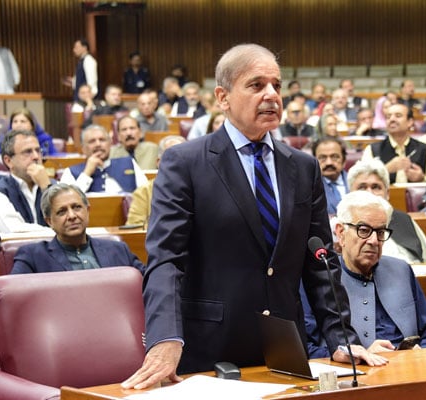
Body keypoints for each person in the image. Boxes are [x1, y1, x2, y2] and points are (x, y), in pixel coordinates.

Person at [121, 43, 386, 390]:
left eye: (276, 84)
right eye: (256, 85)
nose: (272, 95)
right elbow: (166, 260)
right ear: (223, 97)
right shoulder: (185, 163)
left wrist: (340, 337)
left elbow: (319, 260)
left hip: (285, 350)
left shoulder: (304, 167)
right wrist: (165, 337)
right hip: (210, 351)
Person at [303, 190, 426, 356]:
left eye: (380, 232)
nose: (374, 241)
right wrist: (361, 356)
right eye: (364, 230)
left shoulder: (402, 270)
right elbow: (308, 349)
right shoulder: (321, 278)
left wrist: (420, 352)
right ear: (341, 233)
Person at [11, 183, 145, 274]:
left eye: (76, 207)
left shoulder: (118, 250)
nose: (72, 216)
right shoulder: (33, 257)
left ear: (87, 210)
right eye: (62, 212)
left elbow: (149, 283)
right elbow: (13, 296)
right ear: (49, 221)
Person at [348, 159, 426, 263]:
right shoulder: (346, 225)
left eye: (376, 187)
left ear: (387, 194)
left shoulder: (403, 219)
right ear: (350, 194)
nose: (369, 193)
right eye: (362, 187)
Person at [0, 130, 52, 233]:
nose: (36, 157)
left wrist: (47, 188)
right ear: (8, 161)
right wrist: (59, 233)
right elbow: (16, 231)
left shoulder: (53, 186)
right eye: (27, 152)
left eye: (38, 150)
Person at [361, 103, 426, 184]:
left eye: (398, 116)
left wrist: (421, 178)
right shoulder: (372, 149)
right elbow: (363, 182)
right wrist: (386, 170)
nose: (392, 119)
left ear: (410, 122)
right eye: (388, 117)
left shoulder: (424, 149)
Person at [62, 124, 147, 194]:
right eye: (92, 141)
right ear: (83, 149)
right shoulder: (70, 172)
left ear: (110, 144)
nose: (98, 144)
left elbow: (147, 194)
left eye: (102, 140)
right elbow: (66, 201)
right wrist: (86, 173)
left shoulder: (129, 163)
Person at [126, 135, 185, 226]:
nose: (178, 162)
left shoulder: (200, 189)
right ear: (158, 162)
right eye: (172, 157)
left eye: (184, 157)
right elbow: (134, 228)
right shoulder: (144, 192)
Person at [313, 137, 348, 215]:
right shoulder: (309, 186)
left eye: (334, 157)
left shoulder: (356, 183)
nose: (329, 163)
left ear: (344, 161)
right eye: (322, 158)